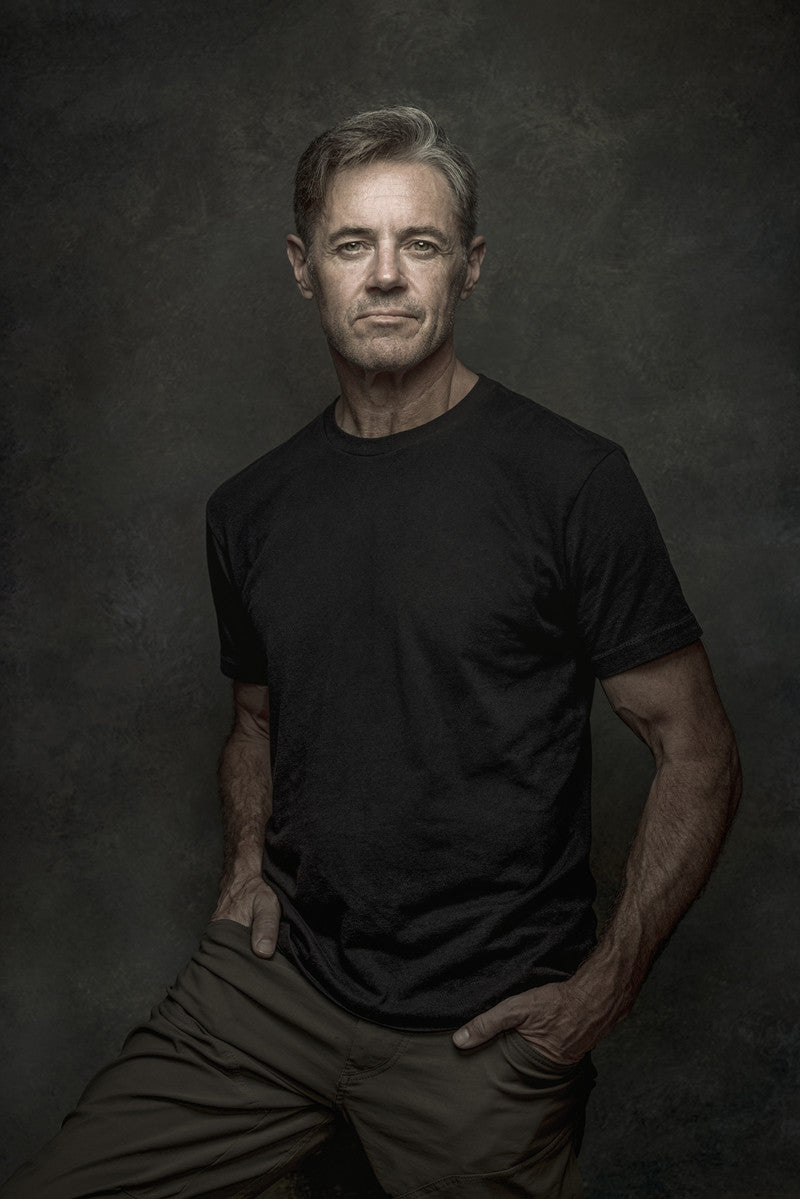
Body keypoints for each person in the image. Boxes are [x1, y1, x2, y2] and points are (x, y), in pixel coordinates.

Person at [3, 106, 741, 1199]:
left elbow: (696, 749)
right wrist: (244, 868)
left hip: (484, 1033)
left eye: (420, 243)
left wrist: (600, 989)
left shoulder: (572, 482)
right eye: (353, 243)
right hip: (274, 993)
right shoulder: (248, 508)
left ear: (469, 266)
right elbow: (255, 722)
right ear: (304, 267)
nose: (386, 275)